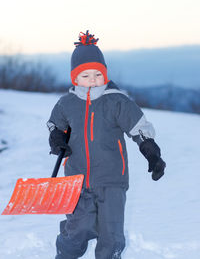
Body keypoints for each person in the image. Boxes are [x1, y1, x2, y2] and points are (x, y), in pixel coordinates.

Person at [47, 31, 166, 259]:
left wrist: (151, 151)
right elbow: (55, 126)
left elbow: (139, 127)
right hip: (76, 180)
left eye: (97, 74)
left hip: (113, 179)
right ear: (75, 78)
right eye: (85, 75)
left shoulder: (116, 101)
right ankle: (65, 253)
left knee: (111, 234)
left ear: (104, 74)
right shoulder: (66, 104)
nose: (92, 80)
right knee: (78, 229)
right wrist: (57, 139)